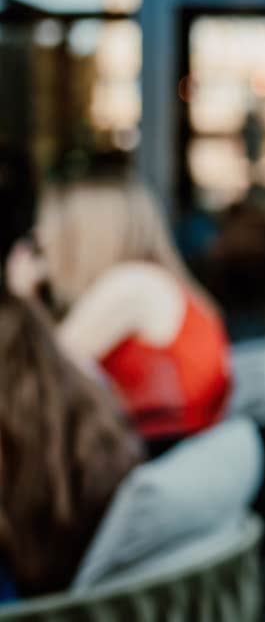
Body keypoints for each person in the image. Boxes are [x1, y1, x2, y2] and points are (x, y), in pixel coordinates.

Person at [0, 150, 144, 602]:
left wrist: (20, 297)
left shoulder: (128, 285)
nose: (44, 245)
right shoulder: (136, 281)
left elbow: (59, 357)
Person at [11, 172, 231, 448]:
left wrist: (21, 297)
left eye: (49, 227)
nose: (39, 238)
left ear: (83, 236)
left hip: (159, 457)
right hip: (176, 451)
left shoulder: (132, 285)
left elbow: (40, 375)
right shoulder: (152, 281)